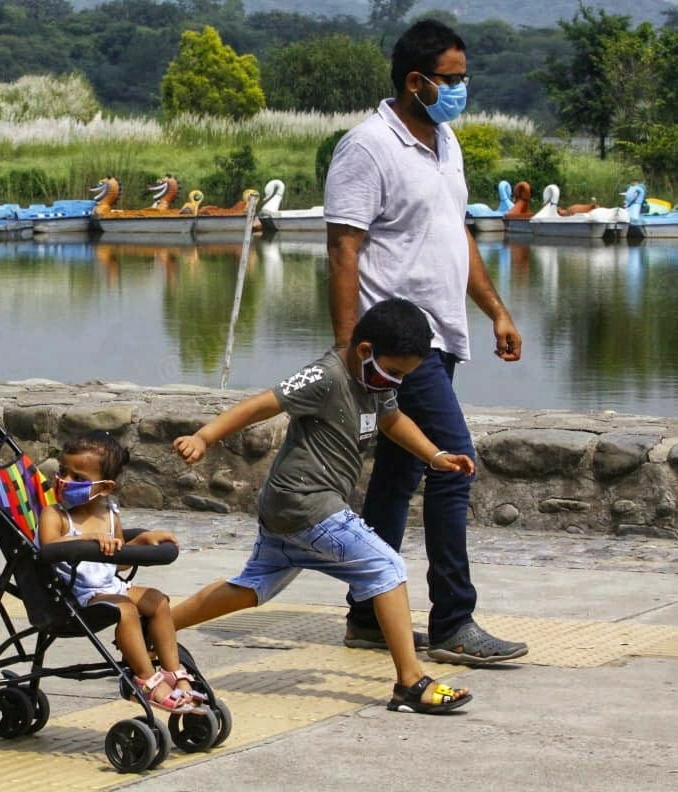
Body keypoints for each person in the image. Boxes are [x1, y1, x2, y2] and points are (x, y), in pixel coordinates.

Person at [323, 19, 527, 664]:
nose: (461, 89)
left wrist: (494, 309)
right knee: (454, 463)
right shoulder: (367, 147)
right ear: (417, 81)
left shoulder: (445, 141)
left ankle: (365, 613)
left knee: (398, 476)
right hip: (394, 345)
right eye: (453, 79)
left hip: (441, 336)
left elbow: (456, 231)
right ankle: (452, 622)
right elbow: (342, 248)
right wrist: (351, 352)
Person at [171, 299, 474, 714]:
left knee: (253, 586)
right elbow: (264, 403)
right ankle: (409, 682)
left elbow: (392, 421)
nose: (398, 382)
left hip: (291, 508)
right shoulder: (326, 375)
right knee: (386, 567)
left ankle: (157, 626)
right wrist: (205, 436)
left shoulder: (376, 383)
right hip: (304, 502)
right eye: (397, 372)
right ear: (366, 350)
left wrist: (435, 456)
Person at [39, 431, 202, 712]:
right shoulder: (55, 514)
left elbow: (119, 561)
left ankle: (173, 673)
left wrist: (143, 540)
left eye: (78, 478)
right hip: (77, 594)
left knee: (157, 600)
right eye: (62, 472)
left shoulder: (109, 513)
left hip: (110, 585)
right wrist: (85, 540)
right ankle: (146, 679)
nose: (65, 481)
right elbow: (48, 547)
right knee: (125, 610)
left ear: (105, 488)